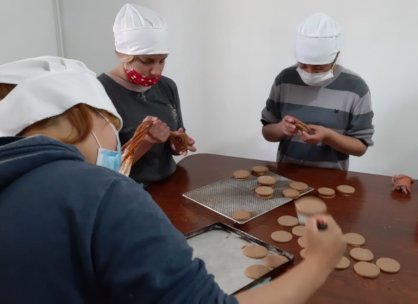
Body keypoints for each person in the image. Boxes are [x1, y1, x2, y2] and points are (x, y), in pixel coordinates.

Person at [0, 56, 346, 303]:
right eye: (114, 124)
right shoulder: (101, 194)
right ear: (90, 117)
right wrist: (320, 262)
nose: (117, 139)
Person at [261, 13, 375, 170]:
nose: (309, 72)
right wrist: (281, 128)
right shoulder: (285, 80)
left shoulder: (356, 88)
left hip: (331, 181)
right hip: (286, 176)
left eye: (319, 68)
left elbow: (361, 146)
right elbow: (267, 132)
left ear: (336, 57)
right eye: (303, 65)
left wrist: (328, 137)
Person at [98, 3, 195, 185]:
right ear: (123, 55)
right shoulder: (100, 93)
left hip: (170, 184)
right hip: (129, 192)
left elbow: (173, 138)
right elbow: (103, 170)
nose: (156, 71)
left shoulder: (167, 86)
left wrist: (176, 143)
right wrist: (145, 141)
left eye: (162, 60)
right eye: (147, 61)